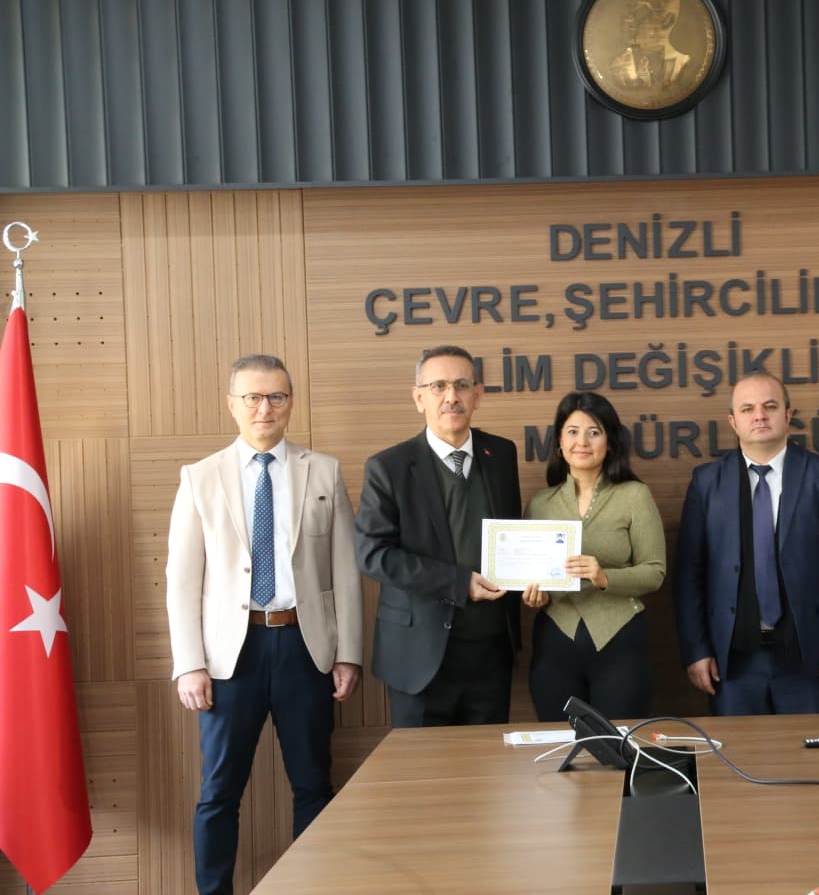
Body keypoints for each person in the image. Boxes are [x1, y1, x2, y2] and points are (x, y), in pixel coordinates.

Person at [166, 354, 363, 895]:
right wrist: (190, 664)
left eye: (276, 396)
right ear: (232, 404)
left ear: (290, 403)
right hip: (230, 657)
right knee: (218, 793)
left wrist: (348, 652)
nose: (264, 408)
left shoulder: (323, 471)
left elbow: (345, 571)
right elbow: (181, 579)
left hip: (305, 646)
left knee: (314, 785)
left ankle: (313, 887)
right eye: (252, 397)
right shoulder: (200, 477)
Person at [354, 345, 526, 727]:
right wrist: (458, 582)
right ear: (419, 398)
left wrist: (534, 577)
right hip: (418, 654)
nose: (451, 396)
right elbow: (373, 554)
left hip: (491, 652)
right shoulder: (388, 467)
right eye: (438, 386)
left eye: (462, 385)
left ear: (478, 395)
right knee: (422, 764)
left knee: (488, 763)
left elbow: (511, 535)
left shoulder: (501, 454)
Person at [675, 371, 819, 715]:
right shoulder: (706, 482)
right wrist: (696, 650)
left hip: (812, 658)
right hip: (732, 663)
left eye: (770, 406)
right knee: (738, 751)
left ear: (788, 415)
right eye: (747, 409)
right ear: (733, 422)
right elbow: (689, 572)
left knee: (809, 751)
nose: (759, 416)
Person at [523, 392, 665, 721]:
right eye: (572, 432)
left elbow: (655, 572)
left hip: (620, 639)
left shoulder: (635, 495)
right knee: (559, 741)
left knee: (616, 742)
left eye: (594, 432)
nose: (582, 442)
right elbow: (530, 573)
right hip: (554, 640)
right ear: (559, 442)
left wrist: (604, 577)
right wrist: (534, 596)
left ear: (610, 443)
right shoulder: (539, 503)